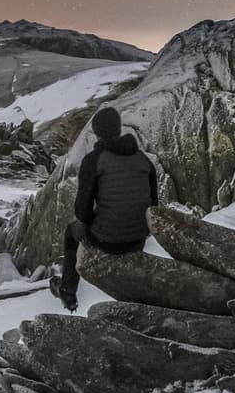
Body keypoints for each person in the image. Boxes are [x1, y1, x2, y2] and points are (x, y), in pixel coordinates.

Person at [50, 106, 158, 311]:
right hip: (137, 240)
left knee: (71, 232)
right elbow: (154, 206)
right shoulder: (143, 160)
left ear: (98, 132)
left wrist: (93, 222)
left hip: (108, 239)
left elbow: (81, 210)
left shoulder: (94, 160)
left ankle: (67, 292)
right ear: (118, 129)